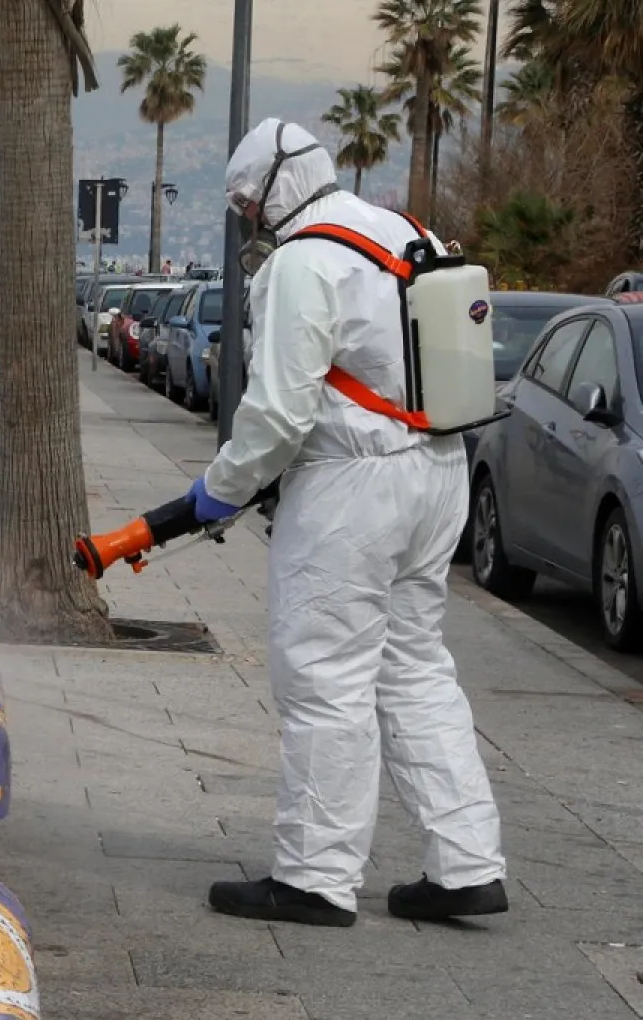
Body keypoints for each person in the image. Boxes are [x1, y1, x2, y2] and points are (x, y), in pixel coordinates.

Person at [186, 118, 506, 927]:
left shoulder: (301, 261)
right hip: (438, 472)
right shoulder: (405, 231)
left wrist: (222, 488)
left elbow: (279, 413)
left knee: (325, 677)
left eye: (247, 204)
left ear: (272, 190)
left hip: (352, 487)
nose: (248, 220)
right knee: (416, 670)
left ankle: (314, 877)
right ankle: (467, 864)